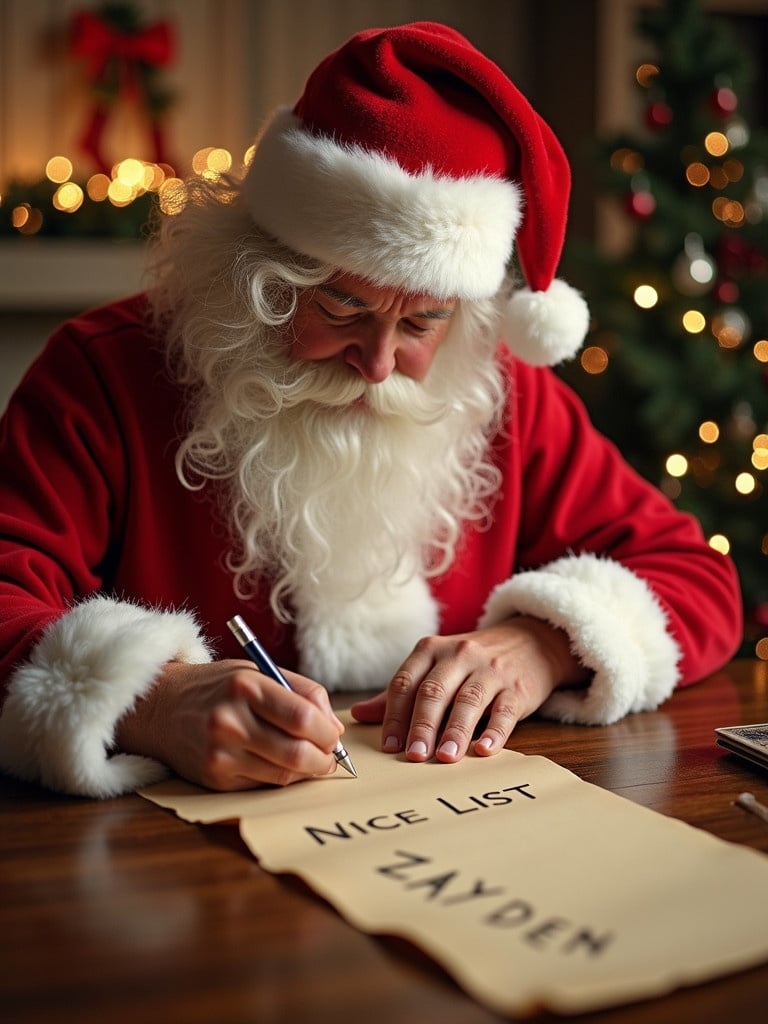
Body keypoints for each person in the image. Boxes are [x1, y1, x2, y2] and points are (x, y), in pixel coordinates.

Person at [0, 22, 741, 799]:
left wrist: (542, 644)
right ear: (260, 281)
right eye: (342, 306)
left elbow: (698, 578)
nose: (380, 363)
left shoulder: (501, 393)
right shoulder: (104, 372)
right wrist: (151, 700)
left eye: (423, 321)